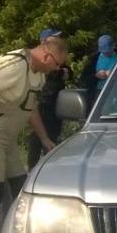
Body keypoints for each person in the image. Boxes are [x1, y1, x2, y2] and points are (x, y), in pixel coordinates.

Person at [0, 35, 70, 233]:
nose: (56, 69)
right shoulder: (13, 65)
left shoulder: (37, 74)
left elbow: (30, 108)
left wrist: (44, 138)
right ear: (47, 56)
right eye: (57, 64)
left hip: (7, 138)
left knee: (21, 187)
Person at [27, 29, 72, 168]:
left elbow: (68, 72)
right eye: (54, 38)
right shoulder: (36, 63)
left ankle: (49, 166)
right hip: (41, 102)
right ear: (45, 43)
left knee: (53, 135)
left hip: (56, 103)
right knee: (36, 137)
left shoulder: (58, 59)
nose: (58, 40)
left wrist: (66, 72)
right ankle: (33, 168)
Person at [82, 34, 117, 110]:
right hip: (98, 92)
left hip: (116, 92)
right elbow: (84, 78)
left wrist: (114, 73)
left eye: (107, 51)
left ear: (113, 46)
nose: (106, 53)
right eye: (103, 51)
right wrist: (96, 76)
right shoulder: (93, 59)